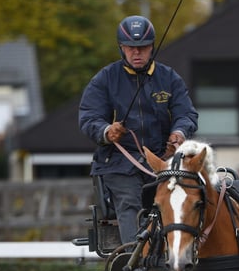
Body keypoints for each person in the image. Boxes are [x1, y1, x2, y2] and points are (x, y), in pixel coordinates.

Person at [79, 14, 198, 244]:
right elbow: (89, 116)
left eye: (142, 47)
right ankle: (136, 263)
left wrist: (179, 133)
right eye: (130, 48)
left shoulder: (169, 78)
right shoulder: (105, 79)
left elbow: (186, 113)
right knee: (129, 202)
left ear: (151, 47)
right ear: (121, 48)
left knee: (188, 196)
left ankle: (185, 251)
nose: (136, 53)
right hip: (118, 163)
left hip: (161, 160)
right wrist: (105, 131)